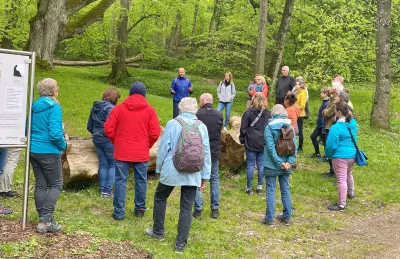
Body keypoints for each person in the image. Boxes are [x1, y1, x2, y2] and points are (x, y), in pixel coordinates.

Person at [145, 97, 211, 254]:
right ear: (195, 109)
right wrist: (205, 176)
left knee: (160, 197)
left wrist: (159, 169)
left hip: (172, 169)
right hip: (193, 172)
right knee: (187, 207)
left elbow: (163, 149)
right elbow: (206, 153)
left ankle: (158, 231)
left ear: (180, 108)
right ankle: (180, 245)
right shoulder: (202, 127)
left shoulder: (172, 124)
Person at [105, 82, 161, 220]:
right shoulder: (149, 110)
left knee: (120, 181)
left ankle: (119, 212)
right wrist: (147, 144)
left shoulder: (119, 109)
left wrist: (116, 141)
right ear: (144, 95)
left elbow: (108, 129)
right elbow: (155, 132)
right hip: (140, 151)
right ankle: (140, 209)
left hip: (123, 149)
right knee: (141, 180)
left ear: (130, 93)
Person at [30, 78, 66, 233]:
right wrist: (63, 146)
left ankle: (43, 218)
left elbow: (28, 126)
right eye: (57, 88)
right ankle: (45, 221)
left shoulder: (34, 106)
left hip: (34, 149)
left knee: (41, 184)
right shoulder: (54, 107)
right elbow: (55, 133)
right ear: (53, 91)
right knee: (56, 184)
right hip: (49, 151)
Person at [261, 104, 296, 226]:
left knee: (270, 190)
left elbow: (270, 148)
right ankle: (287, 217)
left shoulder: (269, 127)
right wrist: (288, 162)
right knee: (285, 190)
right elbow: (293, 148)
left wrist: (278, 163)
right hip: (285, 164)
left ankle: (269, 219)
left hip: (271, 164)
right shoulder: (290, 127)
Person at [193, 93, 223, 219]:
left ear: (203, 101)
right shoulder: (219, 114)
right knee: (214, 179)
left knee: (197, 178)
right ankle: (215, 209)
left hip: (200, 150)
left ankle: (198, 209)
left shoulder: (197, 114)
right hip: (214, 151)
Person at [87, 88, 120, 199]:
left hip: (97, 139)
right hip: (108, 140)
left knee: (103, 164)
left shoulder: (95, 107)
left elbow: (89, 126)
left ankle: (102, 190)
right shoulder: (111, 109)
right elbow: (110, 126)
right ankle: (107, 191)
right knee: (112, 164)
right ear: (114, 98)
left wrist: (96, 133)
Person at [325, 102, 357, 210]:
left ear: (338, 112)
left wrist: (328, 154)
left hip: (340, 156)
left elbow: (331, 145)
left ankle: (341, 204)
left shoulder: (336, 127)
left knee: (341, 179)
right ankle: (351, 192)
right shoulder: (352, 124)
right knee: (348, 173)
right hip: (352, 155)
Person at [240, 93, 271, 195]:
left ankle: (248, 188)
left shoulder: (248, 112)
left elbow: (243, 128)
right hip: (263, 140)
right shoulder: (268, 113)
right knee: (261, 164)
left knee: (250, 165)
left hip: (251, 140)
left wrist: (242, 139)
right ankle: (259, 187)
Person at [322, 87, 341, 176]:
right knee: (327, 146)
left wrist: (325, 112)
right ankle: (331, 170)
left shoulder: (335, 103)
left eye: (332, 87)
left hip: (330, 126)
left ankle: (333, 171)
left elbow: (326, 113)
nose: (329, 88)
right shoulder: (332, 100)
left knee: (330, 147)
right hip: (328, 125)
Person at [309, 88, 330, 158]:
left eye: (322, 93)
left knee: (325, 141)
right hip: (319, 124)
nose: (320, 94)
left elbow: (325, 116)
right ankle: (317, 153)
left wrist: (324, 128)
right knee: (313, 137)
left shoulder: (327, 103)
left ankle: (326, 157)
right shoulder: (324, 102)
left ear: (325, 94)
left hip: (323, 125)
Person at [294, 77, 307, 152]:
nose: (295, 85)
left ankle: (300, 147)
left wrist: (295, 108)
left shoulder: (302, 94)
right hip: (295, 113)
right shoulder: (297, 92)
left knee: (300, 130)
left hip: (300, 115)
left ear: (301, 85)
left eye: (297, 84)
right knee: (296, 130)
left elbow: (302, 106)